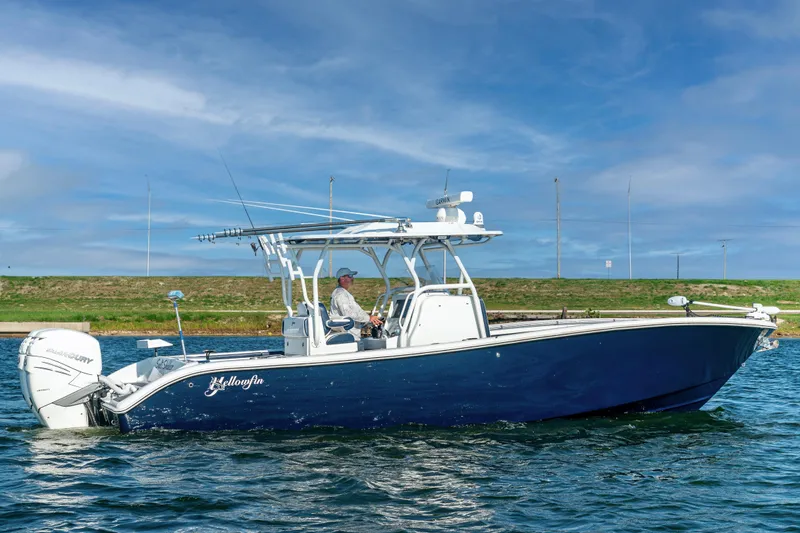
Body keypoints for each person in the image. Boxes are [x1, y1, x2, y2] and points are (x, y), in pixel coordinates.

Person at [330, 267, 382, 338]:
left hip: (353, 333)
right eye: (350, 276)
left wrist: (370, 319)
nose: (352, 278)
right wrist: (369, 318)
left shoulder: (343, 293)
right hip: (349, 334)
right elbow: (350, 314)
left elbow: (357, 311)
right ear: (342, 278)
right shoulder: (341, 295)